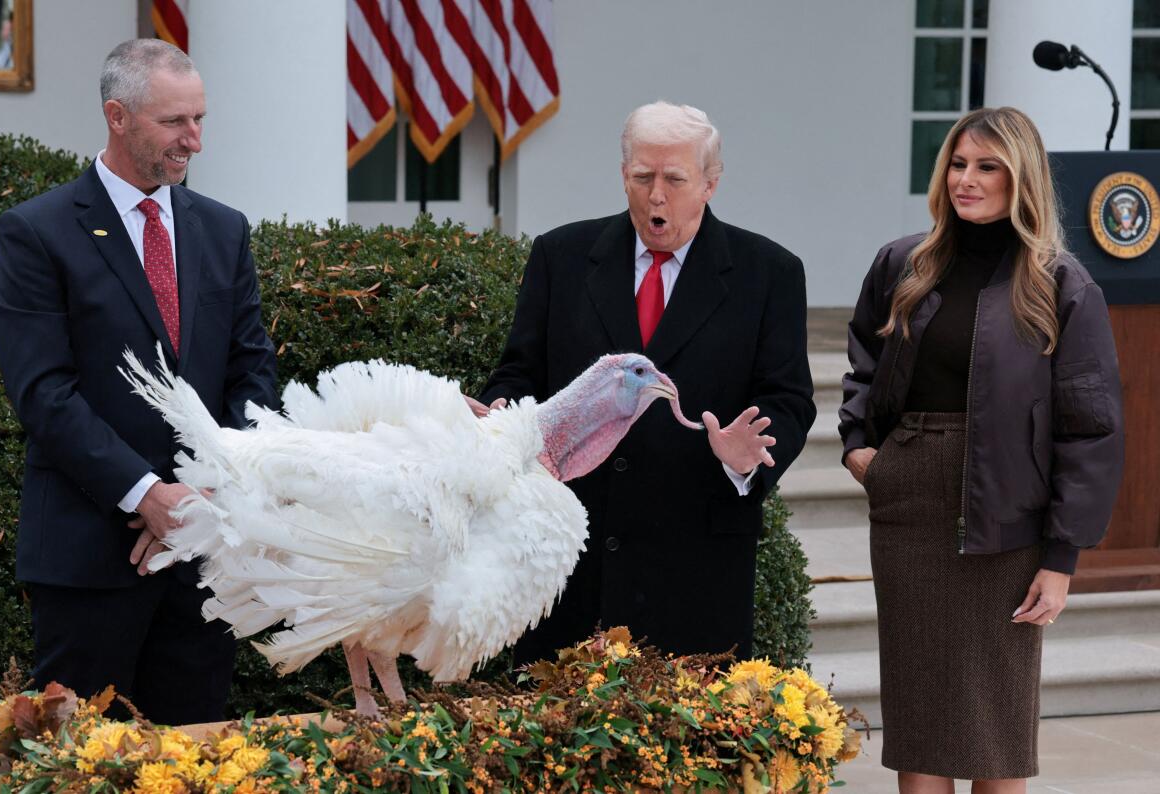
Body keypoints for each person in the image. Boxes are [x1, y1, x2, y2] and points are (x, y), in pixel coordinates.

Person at [0, 39, 279, 725]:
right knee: (78, 763)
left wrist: (206, 496)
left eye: (200, 119)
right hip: (89, 560)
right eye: (175, 123)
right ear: (117, 116)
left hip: (206, 558)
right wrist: (147, 496)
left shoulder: (223, 230)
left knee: (198, 758)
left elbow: (253, 375)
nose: (195, 141)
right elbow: (44, 392)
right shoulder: (37, 232)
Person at [839, 106, 1124, 792]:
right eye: (958, 164)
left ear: (1019, 177)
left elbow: (1090, 428)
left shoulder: (1058, 283)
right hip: (910, 506)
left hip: (1008, 517)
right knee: (921, 718)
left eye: (987, 166)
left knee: (996, 727)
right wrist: (862, 452)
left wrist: (1061, 559)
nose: (967, 179)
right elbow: (862, 367)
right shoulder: (904, 262)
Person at [478, 101, 816, 666]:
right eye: (642, 177)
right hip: (565, 565)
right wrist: (498, 417)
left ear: (709, 183)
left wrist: (745, 457)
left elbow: (787, 400)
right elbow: (519, 373)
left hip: (694, 573)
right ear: (624, 175)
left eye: (674, 179)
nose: (656, 195)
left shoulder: (770, 273)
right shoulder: (561, 257)